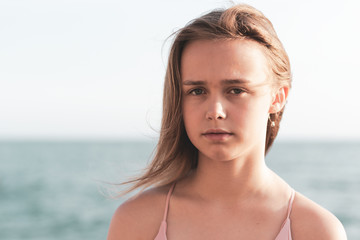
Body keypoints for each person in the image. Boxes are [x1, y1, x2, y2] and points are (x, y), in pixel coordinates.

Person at [107, 4, 347, 240]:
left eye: (235, 90)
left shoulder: (316, 231)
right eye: (197, 91)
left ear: (277, 98)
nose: (215, 112)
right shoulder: (137, 221)